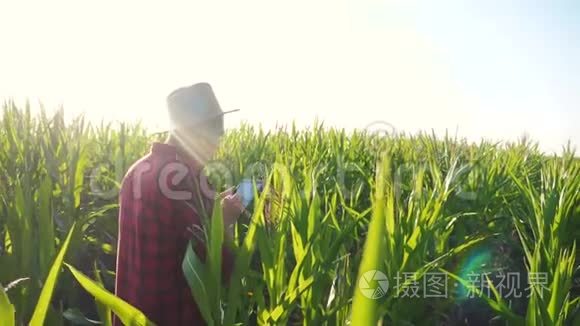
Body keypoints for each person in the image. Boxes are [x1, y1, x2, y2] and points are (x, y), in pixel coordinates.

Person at [113, 83, 243, 325]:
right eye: (216, 134)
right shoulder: (185, 181)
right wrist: (223, 223)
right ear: (197, 133)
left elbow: (171, 236)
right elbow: (216, 270)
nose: (217, 145)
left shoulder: (137, 171)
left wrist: (212, 210)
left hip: (131, 316)